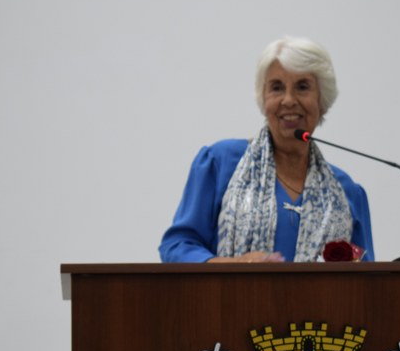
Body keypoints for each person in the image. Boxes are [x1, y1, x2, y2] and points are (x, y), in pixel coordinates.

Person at [159, 36, 374, 263]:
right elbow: (177, 247)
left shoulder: (347, 192)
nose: (288, 100)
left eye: (302, 87)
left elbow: (367, 278)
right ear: (263, 97)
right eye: (277, 88)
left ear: (322, 99)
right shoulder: (220, 163)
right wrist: (234, 265)